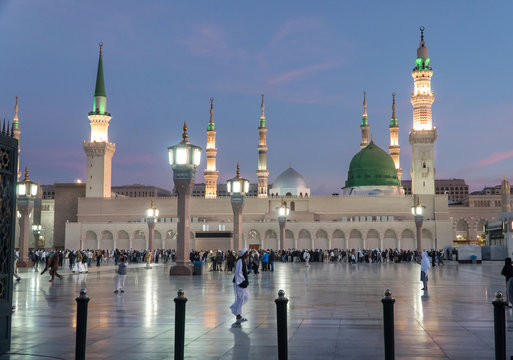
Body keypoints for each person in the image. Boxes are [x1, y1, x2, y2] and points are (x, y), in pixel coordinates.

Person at [230, 248, 249, 323]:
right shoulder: (240, 261)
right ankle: (238, 315)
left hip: (242, 282)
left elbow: (243, 271)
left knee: (245, 297)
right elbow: (238, 273)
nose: (248, 254)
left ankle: (234, 309)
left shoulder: (243, 260)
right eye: (247, 253)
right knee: (240, 299)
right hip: (240, 283)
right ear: (244, 254)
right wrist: (241, 282)